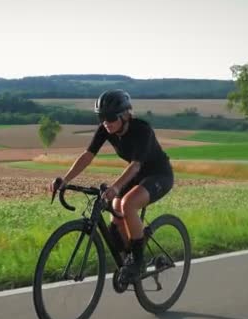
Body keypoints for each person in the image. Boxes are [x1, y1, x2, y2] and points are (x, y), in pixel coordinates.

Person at [48, 89, 174, 282]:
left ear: (125, 115)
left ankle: (138, 262)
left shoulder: (142, 130)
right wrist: (65, 180)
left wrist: (115, 187)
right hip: (137, 175)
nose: (105, 122)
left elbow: (135, 165)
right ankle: (128, 257)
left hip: (159, 174)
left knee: (127, 204)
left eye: (109, 117)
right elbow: (87, 156)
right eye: (101, 117)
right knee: (116, 210)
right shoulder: (105, 130)